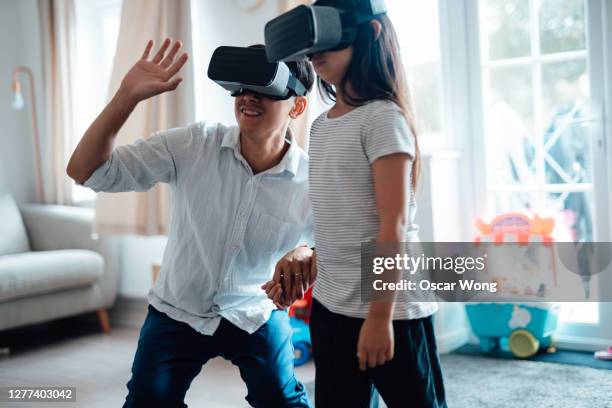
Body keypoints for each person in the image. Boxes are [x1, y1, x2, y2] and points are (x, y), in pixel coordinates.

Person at [66, 38, 316, 408]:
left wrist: (306, 249)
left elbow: (338, 244)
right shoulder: (194, 144)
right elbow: (84, 171)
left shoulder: (312, 181)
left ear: (297, 105)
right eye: (242, 87)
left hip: (254, 311)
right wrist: (126, 96)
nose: (248, 97)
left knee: (282, 400)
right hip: (177, 310)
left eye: (264, 88)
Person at [263, 0, 447, 406]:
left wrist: (379, 318)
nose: (316, 51)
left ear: (371, 35)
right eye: (312, 41)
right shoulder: (320, 126)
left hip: (392, 310)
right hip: (331, 306)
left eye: (330, 36)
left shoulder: (383, 118)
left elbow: (392, 225)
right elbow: (335, 219)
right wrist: (304, 270)